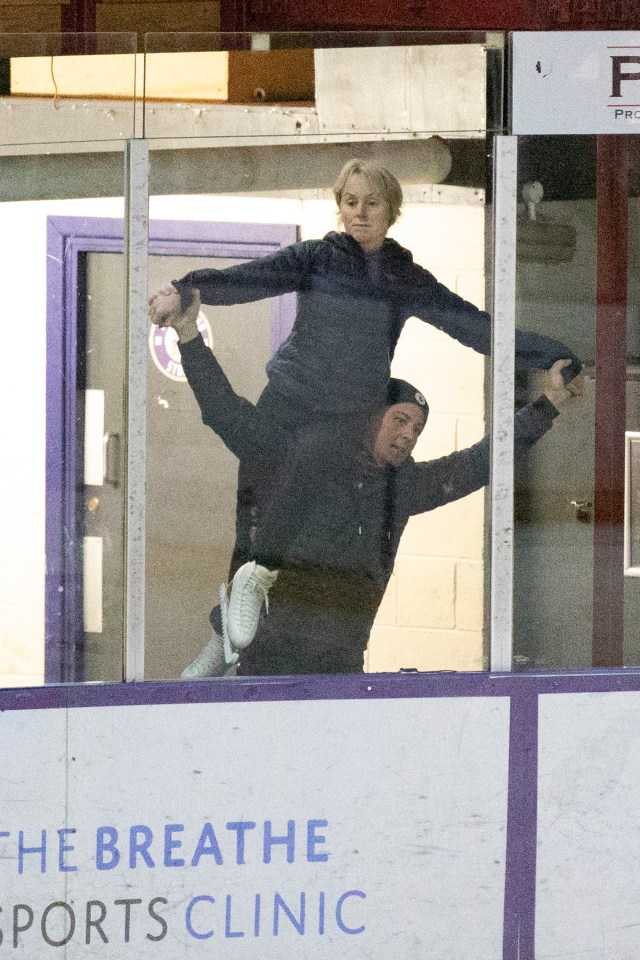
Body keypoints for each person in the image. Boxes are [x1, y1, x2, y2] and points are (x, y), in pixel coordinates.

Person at [149, 158, 582, 653]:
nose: (359, 214)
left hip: (351, 412)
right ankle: (248, 587)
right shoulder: (316, 257)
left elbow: (473, 326)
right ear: (340, 207)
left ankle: (273, 621)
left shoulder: (404, 277)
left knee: (331, 501)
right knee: (264, 482)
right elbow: (254, 278)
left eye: (372, 204)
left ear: (391, 211)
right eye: (350, 203)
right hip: (291, 401)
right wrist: (188, 288)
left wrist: (549, 352)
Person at [170, 294, 584, 678]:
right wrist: (189, 335)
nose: (408, 434)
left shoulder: (403, 487)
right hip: (269, 657)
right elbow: (227, 412)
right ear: (372, 418)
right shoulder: (306, 457)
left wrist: (546, 407)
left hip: (343, 662)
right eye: (399, 420)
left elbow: (479, 463)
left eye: (417, 428)